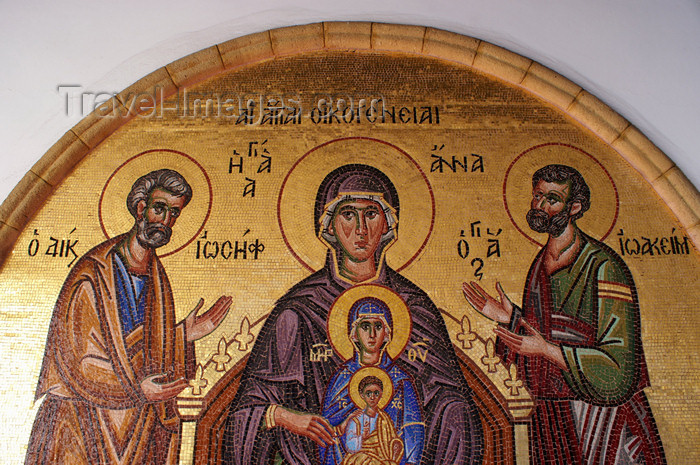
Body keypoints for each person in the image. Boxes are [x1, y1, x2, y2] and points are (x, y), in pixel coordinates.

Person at [223, 164, 482, 465]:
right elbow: (248, 411)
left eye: (371, 214)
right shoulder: (298, 311)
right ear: (329, 225)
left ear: (387, 224)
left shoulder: (415, 306)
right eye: (348, 214)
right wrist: (286, 417)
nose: (360, 229)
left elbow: (452, 402)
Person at [463, 164, 666, 464]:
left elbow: (620, 371)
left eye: (552, 199)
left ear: (575, 207)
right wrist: (510, 318)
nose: (541, 207)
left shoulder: (604, 267)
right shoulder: (540, 264)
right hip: (553, 413)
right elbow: (543, 335)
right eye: (537, 196)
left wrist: (545, 349)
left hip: (601, 415)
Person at [26, 169, 232, 465]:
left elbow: (141, 345)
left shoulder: (156, 275)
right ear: (140, 208)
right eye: (159, 208)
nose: (165, 220)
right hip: (83, 421)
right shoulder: (94, 273)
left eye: (174, 213)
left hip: (134, 425)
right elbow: (80, 359)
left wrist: (181, 335)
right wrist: (137, 389)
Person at [321, 297, 424, 465]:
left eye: (378, 326)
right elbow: (327, 434)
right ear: (354, 334)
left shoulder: (401, 381)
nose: (372, 334)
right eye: (365, 326)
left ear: (387, 334)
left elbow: (412, 429)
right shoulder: (341, 379)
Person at [341, 375, 403, 465]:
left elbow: (392, 440)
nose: (372, 397)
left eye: (376, 393)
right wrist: (362, 438)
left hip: (382, 456)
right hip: (361, 456)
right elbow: (350, 445)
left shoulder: (384, 418)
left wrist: (396, 444)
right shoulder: (357, 419)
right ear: (362, 395)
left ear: (381, 394)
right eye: (368, 393)